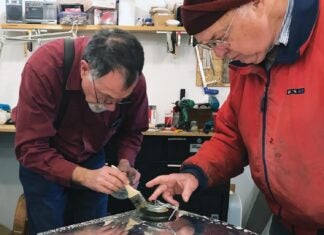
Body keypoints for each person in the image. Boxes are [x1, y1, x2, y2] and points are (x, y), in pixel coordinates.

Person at [146, 0, 324, 235]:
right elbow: (232, 137)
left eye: (220, 37)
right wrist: (194, 174)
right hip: (288, 222)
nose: (219, 53)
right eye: (210, 45)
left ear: (257, 4)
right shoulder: (247, 61)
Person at [13, 29, 148, 234]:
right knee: (50, 229)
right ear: (84, 69)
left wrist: (125, 162)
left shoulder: (131, 82)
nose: (112, 108)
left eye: (119, 101)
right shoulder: (45, 67)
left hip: (93, 159)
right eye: (105, 97)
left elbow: (132, 130)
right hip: (44, 162)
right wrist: (86, 177)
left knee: (94, 229)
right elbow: (30, 148)